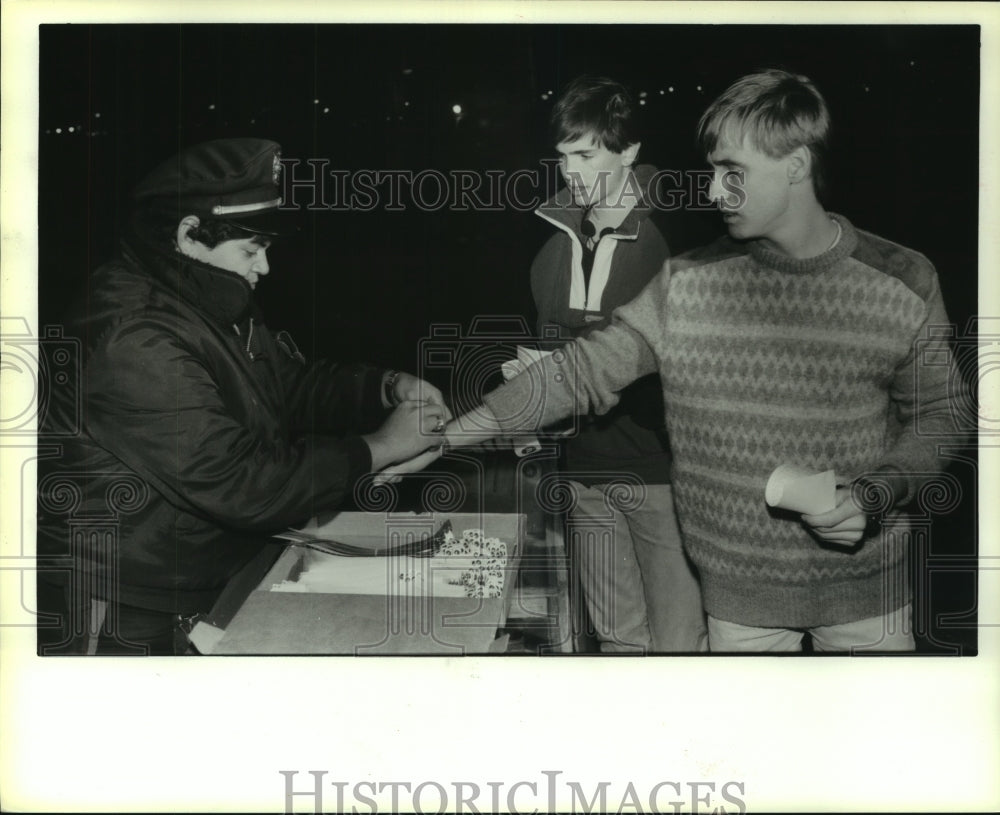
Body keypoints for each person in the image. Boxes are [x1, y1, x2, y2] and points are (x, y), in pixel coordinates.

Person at [439, 69, 961, 653]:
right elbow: (578, 373)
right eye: (713, 171)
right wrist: (437, 443)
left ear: (796, 166)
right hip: (738, 606)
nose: (713, 192)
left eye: (732, 172)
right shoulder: (687, 283)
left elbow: (942, 416)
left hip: (869, 600)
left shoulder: (904, 279)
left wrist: (877, 491)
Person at [36, 138, 449, 655]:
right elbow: (239, 482)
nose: (265, 269)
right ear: (189, 235)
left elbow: (284, 387)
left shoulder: (203, 295)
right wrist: (380, 448)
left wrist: (383, 388)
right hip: (122, 596)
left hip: (191, 573)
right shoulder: (134, 336)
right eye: (251, 250)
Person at [526, 76, 706, 653]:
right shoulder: (550, 249)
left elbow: (698, 365)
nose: (570, 171)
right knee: (617, 643)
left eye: (586, 153)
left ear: (629, 151)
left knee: (680, 644)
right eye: (562, 156)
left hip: (662, 475)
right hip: (582, 472)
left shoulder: (676, 238)